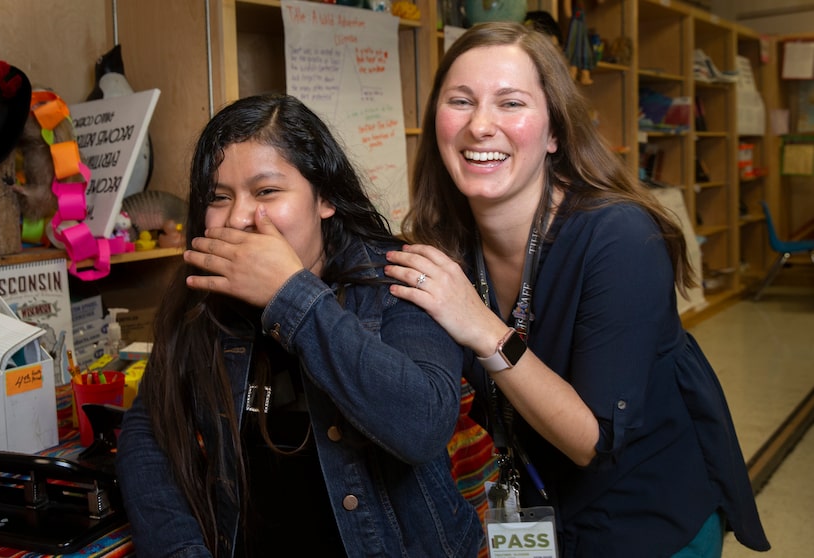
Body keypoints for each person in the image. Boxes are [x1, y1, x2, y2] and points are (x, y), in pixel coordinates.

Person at [384, 22, 770, 557]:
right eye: (461, 101)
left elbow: (592, 440)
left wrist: (479, 325)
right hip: (527, 504)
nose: (480, 125)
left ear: (555, 133)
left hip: (644, 523)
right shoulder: (444, 242)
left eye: (511, 103)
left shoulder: (621, 236)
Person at [115, 93, 483, 558]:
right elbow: (151, 428)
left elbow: (423, 425)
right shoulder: (205, 299)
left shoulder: (398, 277)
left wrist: (289, 295)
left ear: (324, 197)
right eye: (219, 197)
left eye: (266, 191)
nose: (240, 218)